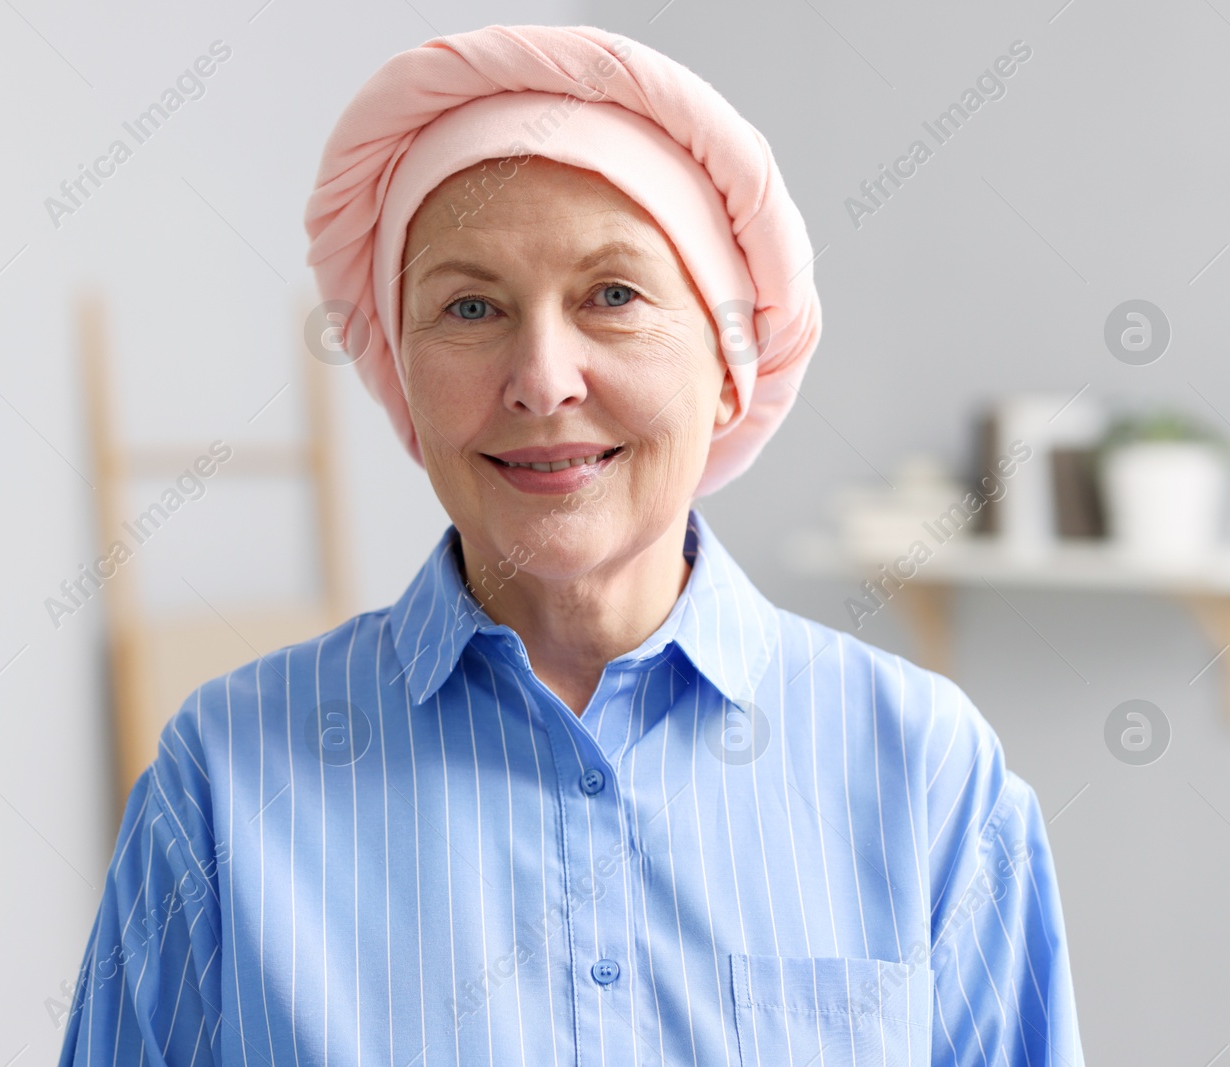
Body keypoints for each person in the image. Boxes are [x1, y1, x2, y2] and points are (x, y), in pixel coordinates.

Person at [59, 24, 1083, 1066]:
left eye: (613, 296)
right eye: (470, 306)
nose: (541, 378)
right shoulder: (226, 777)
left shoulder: (923, 770)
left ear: (730, 362)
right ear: (401, 377)